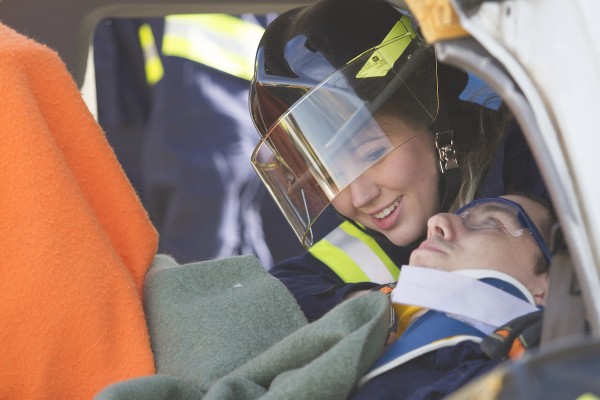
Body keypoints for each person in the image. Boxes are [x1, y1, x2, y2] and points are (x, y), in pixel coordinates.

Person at [248, 0, 546, 321]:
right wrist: (383, 303)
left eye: (372, 154)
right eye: (331, 176)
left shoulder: (536, 165)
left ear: (435, 120)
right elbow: (261, 299)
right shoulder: (359, 245)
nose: (360, 197)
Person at [351, 194, 554, 399]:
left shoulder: (536, 383)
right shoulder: (358, 343)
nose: (436, 221)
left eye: (492, 222)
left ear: (548, 287)